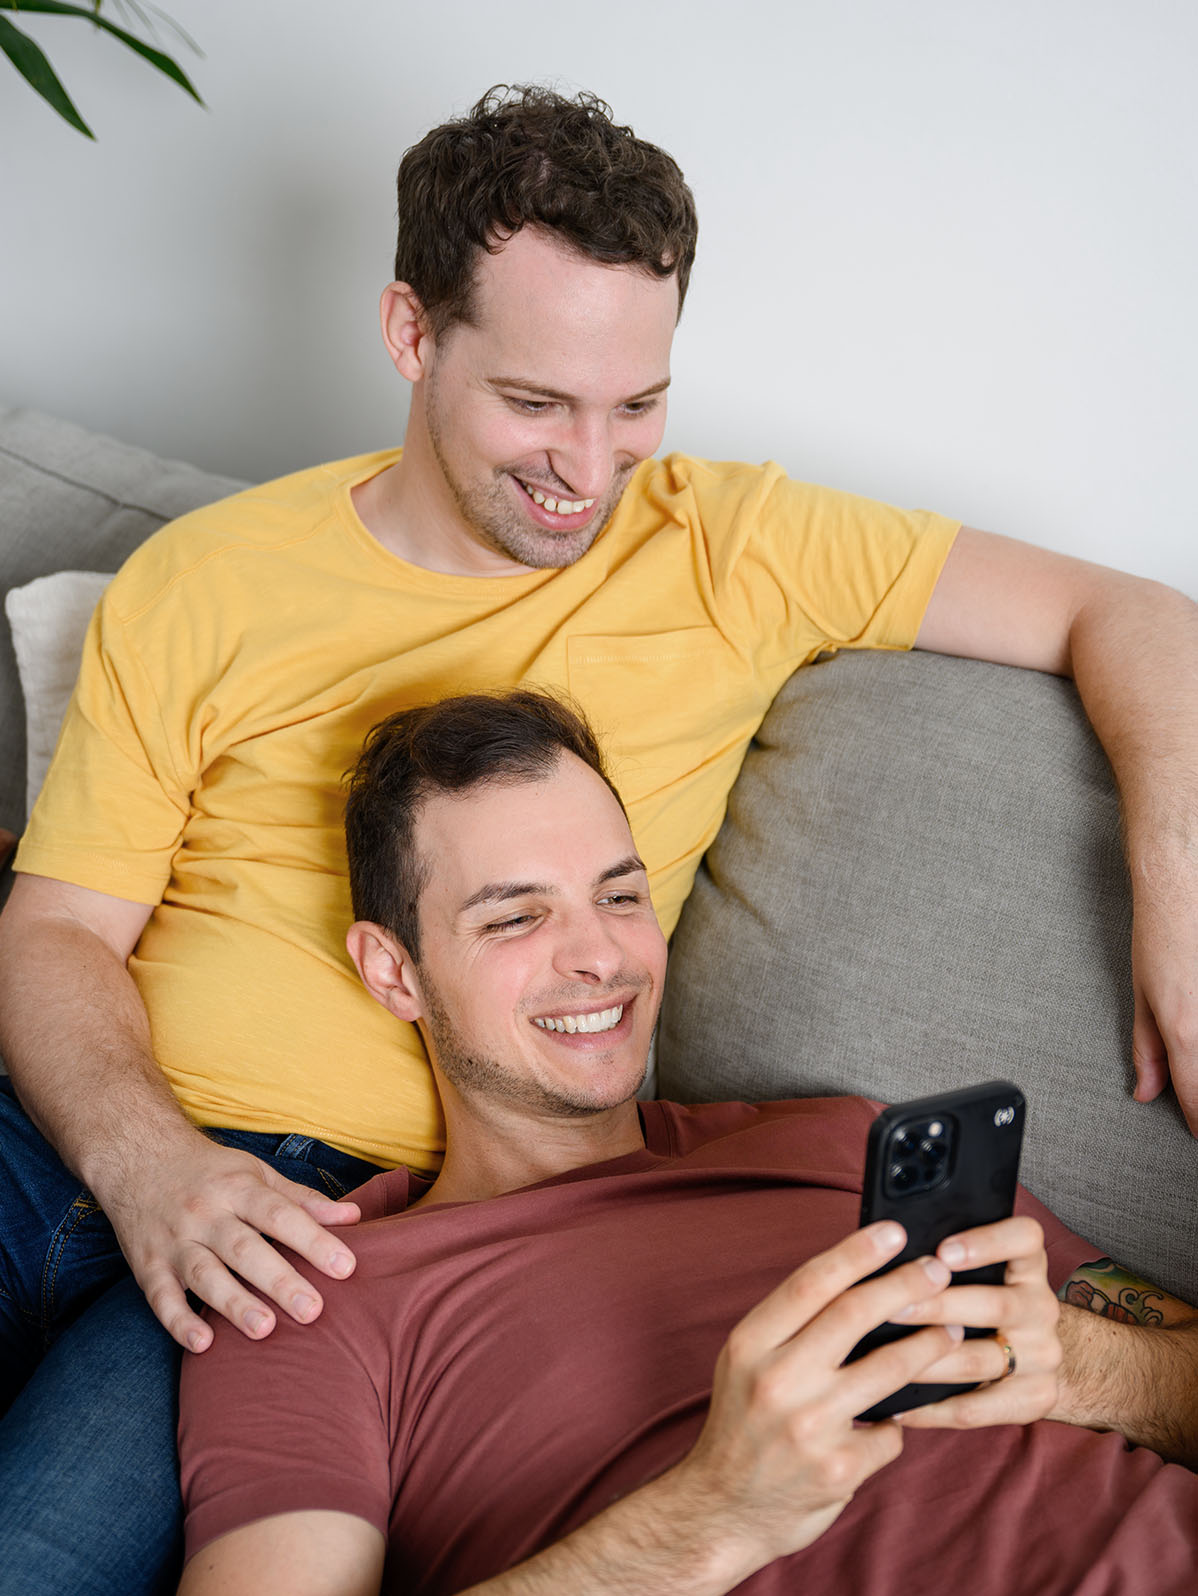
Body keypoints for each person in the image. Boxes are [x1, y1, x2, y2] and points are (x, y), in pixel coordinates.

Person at [0, 83, 1194, 1596]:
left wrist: (1173, 886)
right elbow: (55, 930)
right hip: (82, 1131)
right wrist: (148, 1163)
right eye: (536, 403)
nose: (588, 466)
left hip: (322, 1241)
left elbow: (1135, 615)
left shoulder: (732, 544)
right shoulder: (208, 579)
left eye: (635, 405)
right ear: (409, 334)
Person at [176, 690, 1198, 1596]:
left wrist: (1081, 1368)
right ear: (394, 973)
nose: (599, 957)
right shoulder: (315, 1297)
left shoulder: (842, 1142)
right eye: (516, 918)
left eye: (619, 896)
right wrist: (713, 1517)